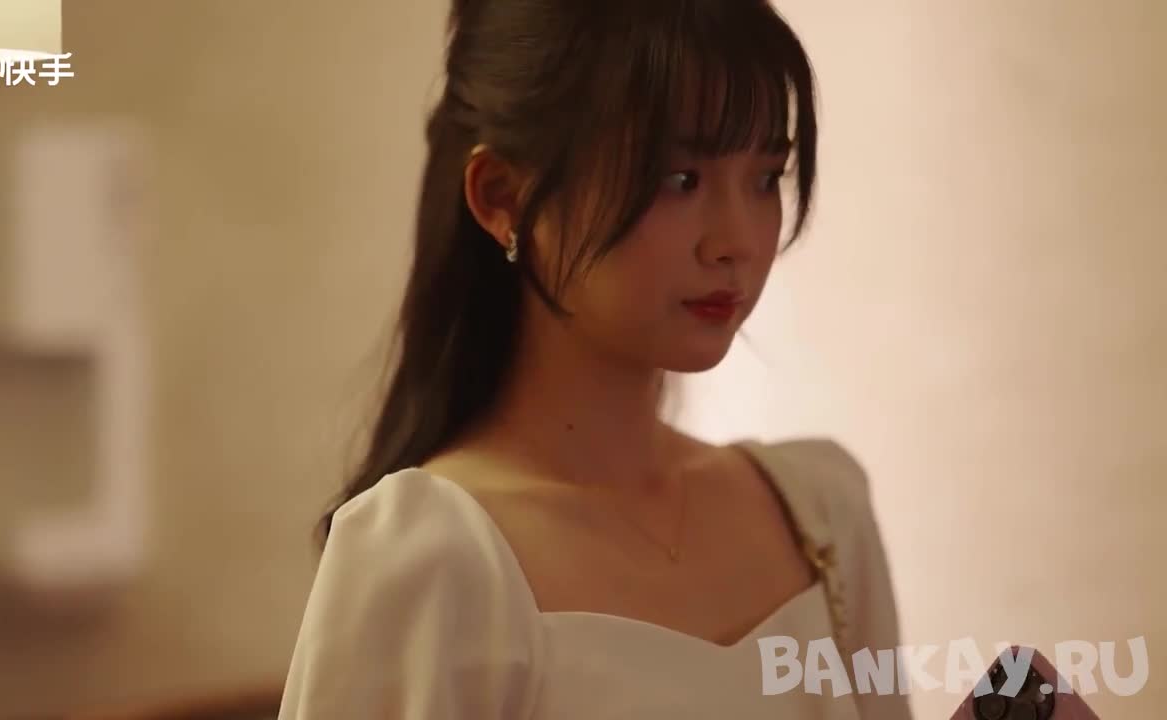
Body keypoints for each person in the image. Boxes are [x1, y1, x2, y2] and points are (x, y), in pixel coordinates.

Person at [279, 0, 912, 717]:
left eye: (766, 177)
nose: (737, 240)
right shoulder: (433, 563)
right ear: (502, 197)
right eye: (681, 179)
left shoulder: (821, 515)